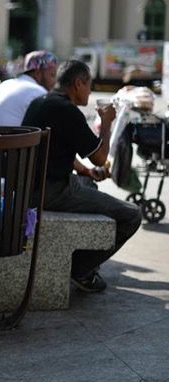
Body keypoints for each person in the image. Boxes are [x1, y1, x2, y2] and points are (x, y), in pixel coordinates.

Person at [21, 60, 142, 293]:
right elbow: (99, 157)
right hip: (51, 191)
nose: (89, 90)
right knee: (132, 215)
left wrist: (85, 171)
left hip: (29, 186)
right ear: (78, 84)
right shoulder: (67, 111)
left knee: (87, 183)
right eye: (89, 85)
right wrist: (106, 123)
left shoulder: (40, 102)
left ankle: (86, 258)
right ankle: (81, 268)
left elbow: (53, 151)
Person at [0, 50, 57, 126]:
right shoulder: (38, 92)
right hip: (4, 139)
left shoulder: (6, 84)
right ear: (37, 73)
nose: (54, 81)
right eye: (52, 75)